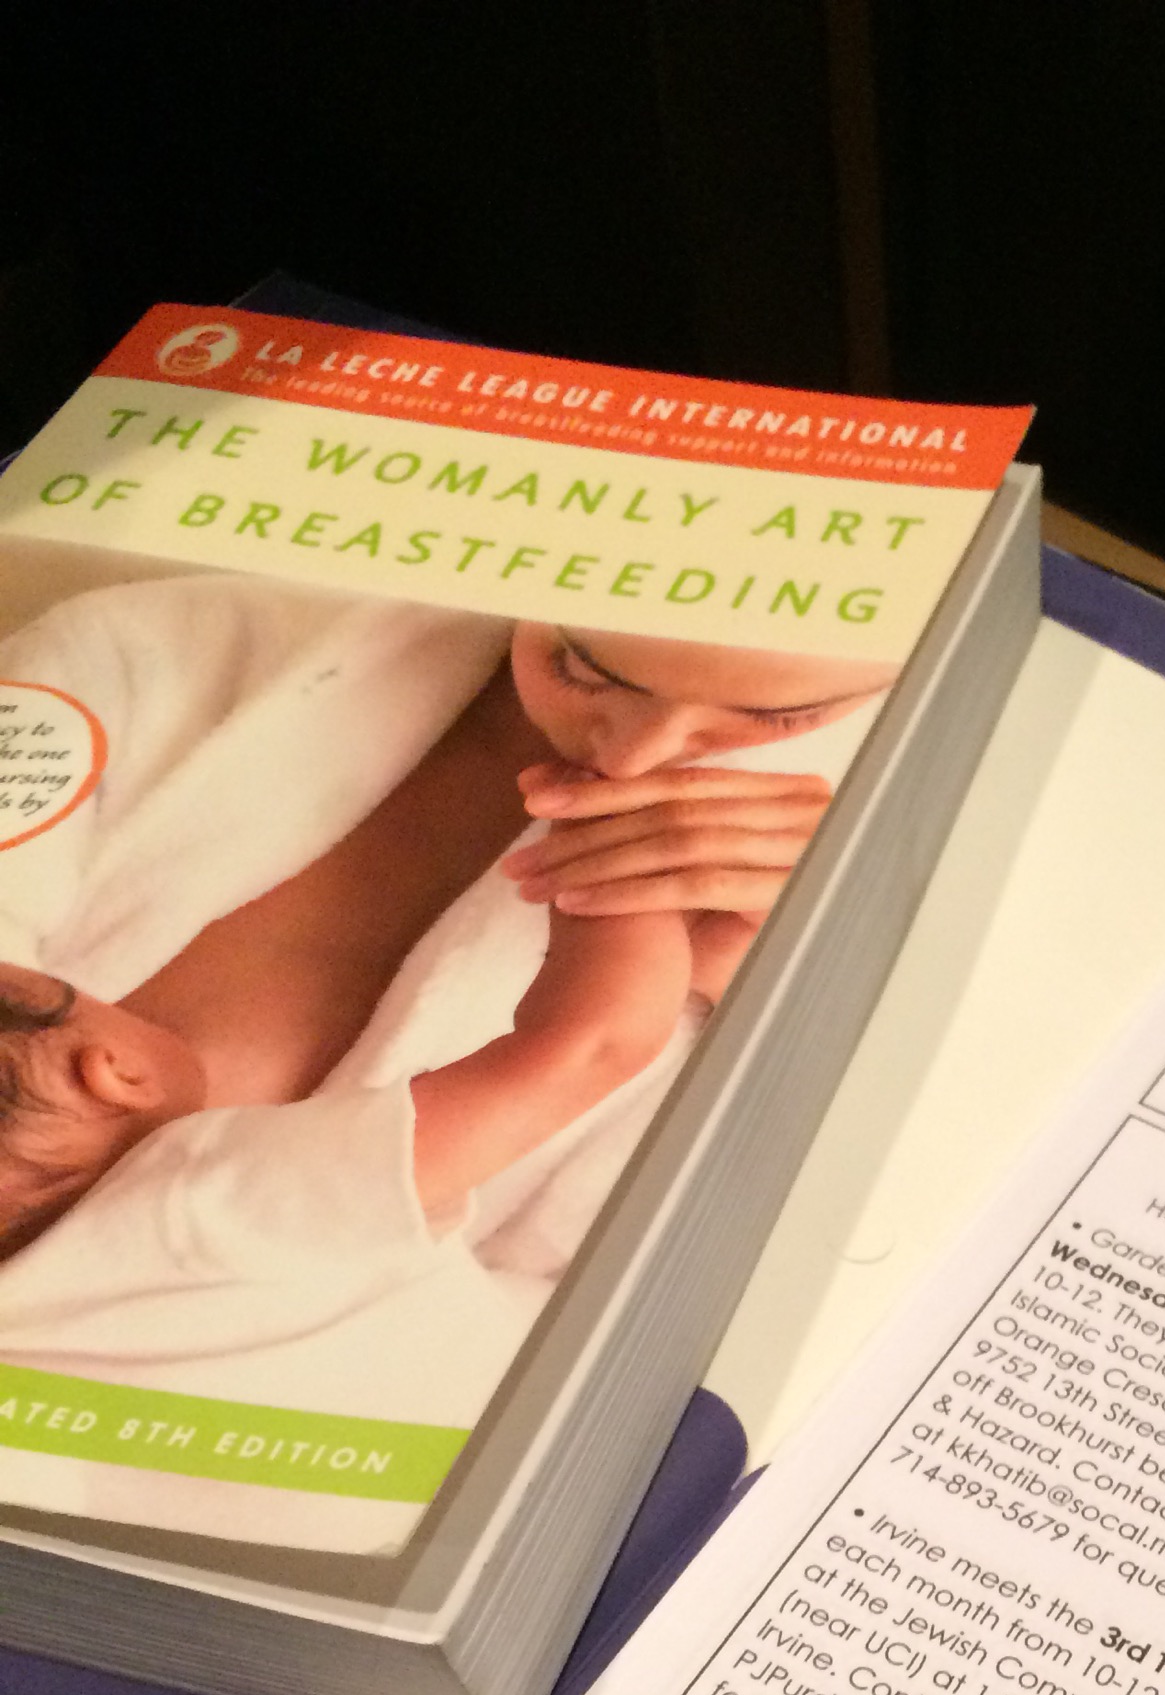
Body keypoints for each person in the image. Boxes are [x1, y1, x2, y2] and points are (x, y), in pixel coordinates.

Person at [0, 571, 898, 1536]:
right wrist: (616, 879)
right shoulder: (150, 653)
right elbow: (591, 1042)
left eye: (779, 716)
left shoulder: (896, 864)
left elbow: (713, 1304)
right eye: (583, 667)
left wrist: (780, 987)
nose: (633, 754)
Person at [0, 909, 691, 1439]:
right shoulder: (212, 1202)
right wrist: (606, 863)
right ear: (116, 1074)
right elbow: (594, 1045)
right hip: (567, 1438)